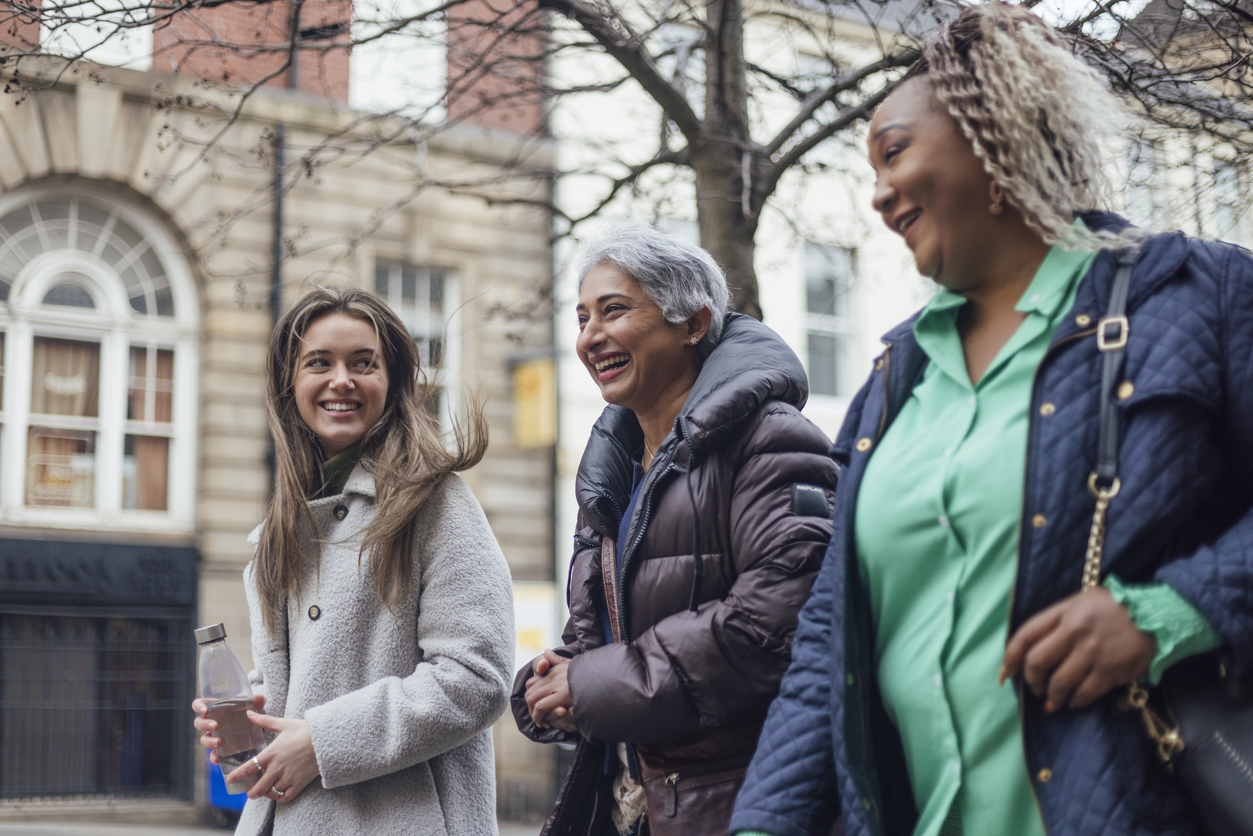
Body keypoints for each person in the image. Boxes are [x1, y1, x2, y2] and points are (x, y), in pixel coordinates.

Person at [732, 5, 1253, 836]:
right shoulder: (891, 382)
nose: (876, 195)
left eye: (893, 151)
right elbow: (827, 652)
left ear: (992, 129)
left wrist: (1163, 615)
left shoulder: (1200, 297)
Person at [513, 222, 839, 836]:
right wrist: (555, 677)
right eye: (581, 318)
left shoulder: (773, 439)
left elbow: (775, 624)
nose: (591, 337)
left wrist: (589, 684)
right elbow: (606, 634)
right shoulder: (613, 472)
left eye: (614, 311)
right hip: (631, 807)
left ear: (692, 323)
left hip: (735, 806)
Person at [191, 287, 514, 835]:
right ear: (289, 385)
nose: (341, 380)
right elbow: (314, 681)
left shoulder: (436, 501)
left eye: (363, 363)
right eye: (319, 363)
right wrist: (260, 713)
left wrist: (320, 740)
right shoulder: (282, 524)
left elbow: (475, 678)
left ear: (391, 384)